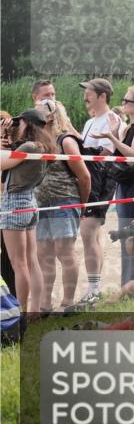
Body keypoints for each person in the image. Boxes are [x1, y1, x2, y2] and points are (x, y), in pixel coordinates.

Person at [93, 85, 134, 283]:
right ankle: (128, 280)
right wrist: (115, 134)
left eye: (126, 100)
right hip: (126, 183)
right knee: (125, 230)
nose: (122, 103)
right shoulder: (130, 126)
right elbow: (121, 154)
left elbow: (132, 156)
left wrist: (112, 136)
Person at [34, 100, 89, 312]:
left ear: (50, 116)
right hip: (41, 204)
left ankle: (68, 302)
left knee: (64, 252)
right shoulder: (36, 140)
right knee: (43, 254)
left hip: (65, 201)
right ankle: (45, 303)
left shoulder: (65, 140)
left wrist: (81, 205)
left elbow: (84, 177)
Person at [0, 109, 53, 313]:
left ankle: (21, 311)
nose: (17, 127)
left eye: (19, 124)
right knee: (31, 260)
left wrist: (2, 136)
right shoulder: (41, 145)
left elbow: (2, 163)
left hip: (16, 203)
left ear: (27, 124)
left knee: (19, 264)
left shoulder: (29, 146)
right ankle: (34, 310)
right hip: (29, 201)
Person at [77, 77, 122, 304]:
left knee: (88, 231)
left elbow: (105, 153)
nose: (85, 96)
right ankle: (96, 286)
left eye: (89, 92)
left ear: (102, 96)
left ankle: (94, 288)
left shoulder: (112, 119)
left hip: (101, 179)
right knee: (92, 233)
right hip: (90, 178)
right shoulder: (89, 122)